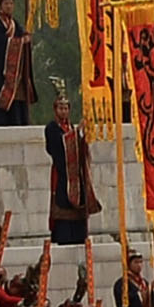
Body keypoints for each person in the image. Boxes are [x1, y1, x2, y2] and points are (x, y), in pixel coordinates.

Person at [43, 92, 95, 247]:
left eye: (66, 108)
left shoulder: (70, 127)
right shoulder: (52, 128)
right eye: (61, 108)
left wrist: (82, 138)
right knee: (63, 202)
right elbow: (57, 146)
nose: (64, 111)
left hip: (75, 175)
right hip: (62, 174)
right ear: (55, 110)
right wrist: (76, 134)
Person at [0, 0, 36, 129]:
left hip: (17, 73)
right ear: (0, 5)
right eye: (6, 3)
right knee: (1, 100)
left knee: (18, 103)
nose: (9, 6)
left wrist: (26, 39)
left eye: (11, 3)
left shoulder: (15, 24)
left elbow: (22, 38)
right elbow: (0, 45)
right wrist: (20, 42)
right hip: (3, 70)